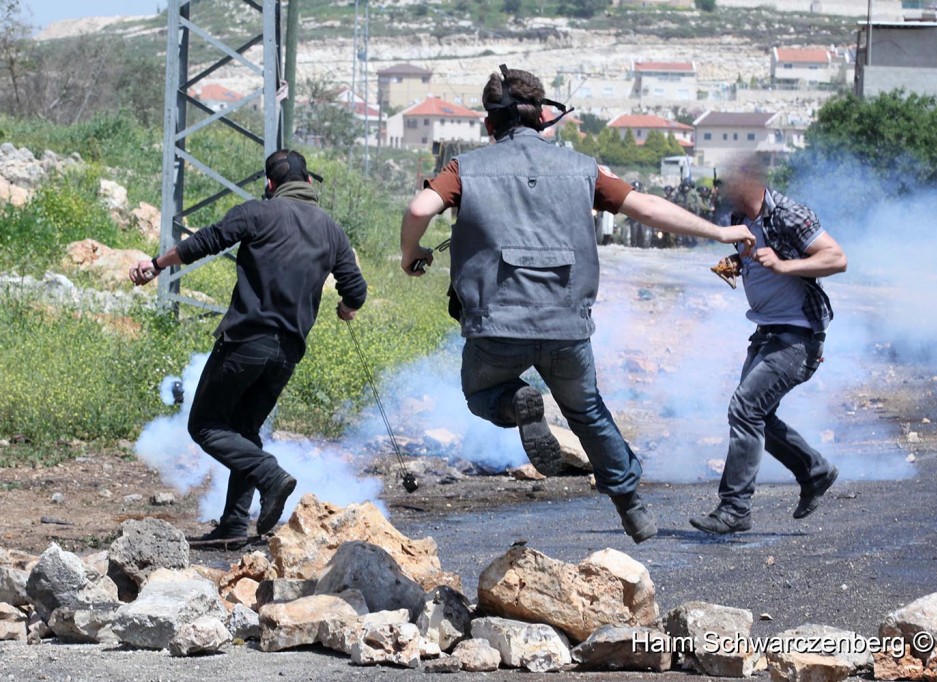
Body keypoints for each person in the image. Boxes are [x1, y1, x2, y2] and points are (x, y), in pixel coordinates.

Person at [400, 65, 754, 544]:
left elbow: (420, 209)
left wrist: (411, 255)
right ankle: (631, 505)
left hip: (496, 326)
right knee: (587, 412)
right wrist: (719, 231)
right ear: (544, 116)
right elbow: (646, 206)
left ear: (489, 124)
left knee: (480, 394)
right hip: (566, 324)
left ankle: (514, 403)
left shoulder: (465, 168)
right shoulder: (585, 169)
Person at [129, 149, 367, 543]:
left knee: (204, 424)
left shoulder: (258, 212)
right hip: (287, 354)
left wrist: (157, 264)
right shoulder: (331, 230)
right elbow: (355, 290)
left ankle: (270, 476)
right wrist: (346, 308)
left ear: (270, 185)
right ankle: (234, 525)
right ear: (308, 183)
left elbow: (204, 241)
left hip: (246, 342)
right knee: (244, 429)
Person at [690, 160, 847, 535]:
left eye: (727, 183)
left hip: (798, 337)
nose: (721, 191)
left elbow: (836, 259)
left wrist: (781, 265)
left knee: (744, 409)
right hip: (766, 333)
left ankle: (734, 509)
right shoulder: (739, 218)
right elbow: (757, 259)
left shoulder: (789, 214)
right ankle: (815, 471)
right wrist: (737, 265)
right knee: (758, 416)